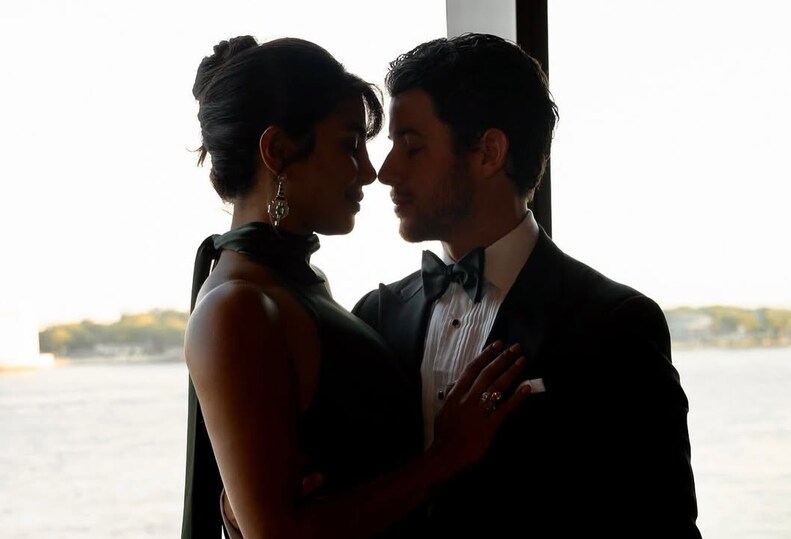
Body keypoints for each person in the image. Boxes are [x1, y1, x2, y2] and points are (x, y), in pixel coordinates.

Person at [180, 35, 533, 539]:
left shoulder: (304, 289)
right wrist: (444, 458)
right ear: (277, 151)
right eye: (349, 145)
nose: (371, 172)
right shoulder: (237, 305)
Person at [353, 33, 702, 538]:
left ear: (489, 153)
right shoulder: (376, 316)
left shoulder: (615, 324)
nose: (386, 172)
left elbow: (664, 524)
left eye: (411, 147)